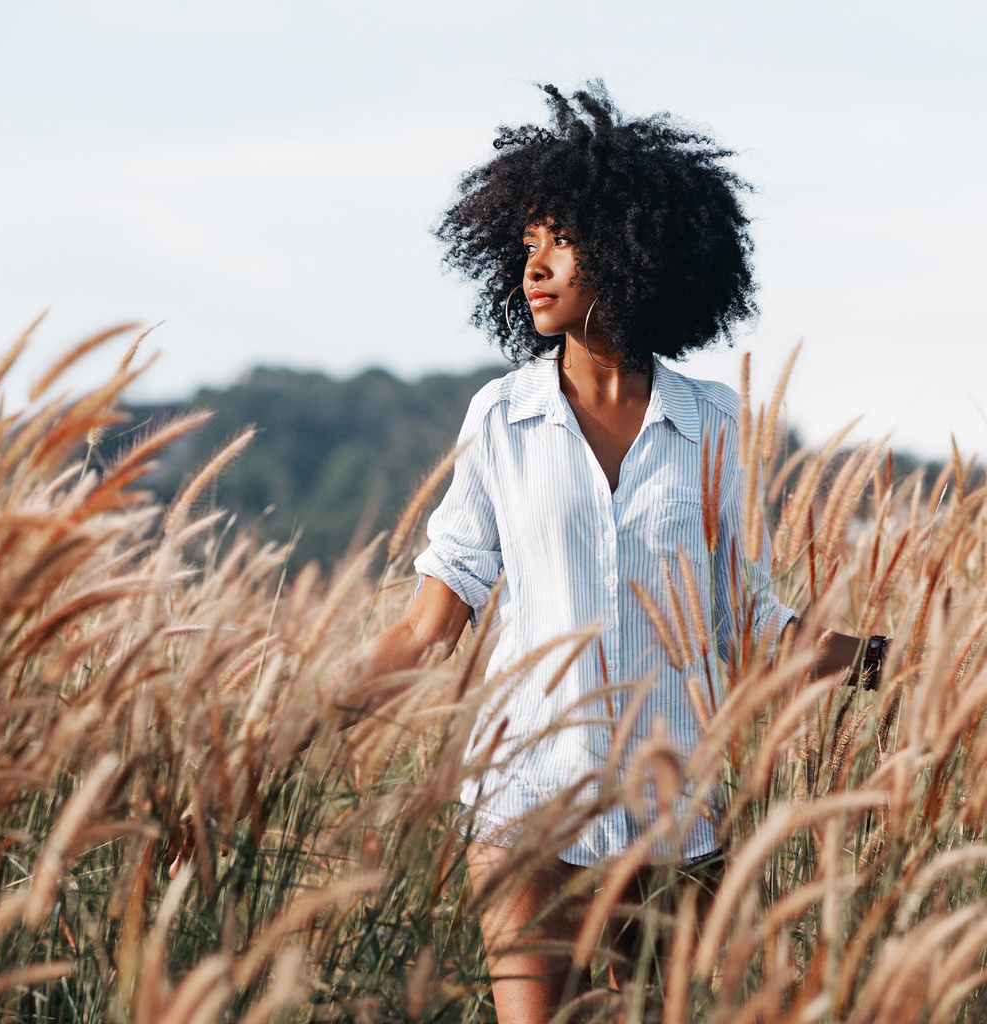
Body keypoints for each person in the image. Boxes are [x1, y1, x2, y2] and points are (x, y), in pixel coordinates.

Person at [359, 84, 878, 1023]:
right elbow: (431, 620)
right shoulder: (502, 418)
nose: (536, 267)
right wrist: (302, 725)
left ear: (637, 246)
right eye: (526, 246)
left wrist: (890, 665)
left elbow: (749, 614)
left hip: (674, 810)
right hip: (525, 798)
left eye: (563, 241)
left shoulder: (713, 420)